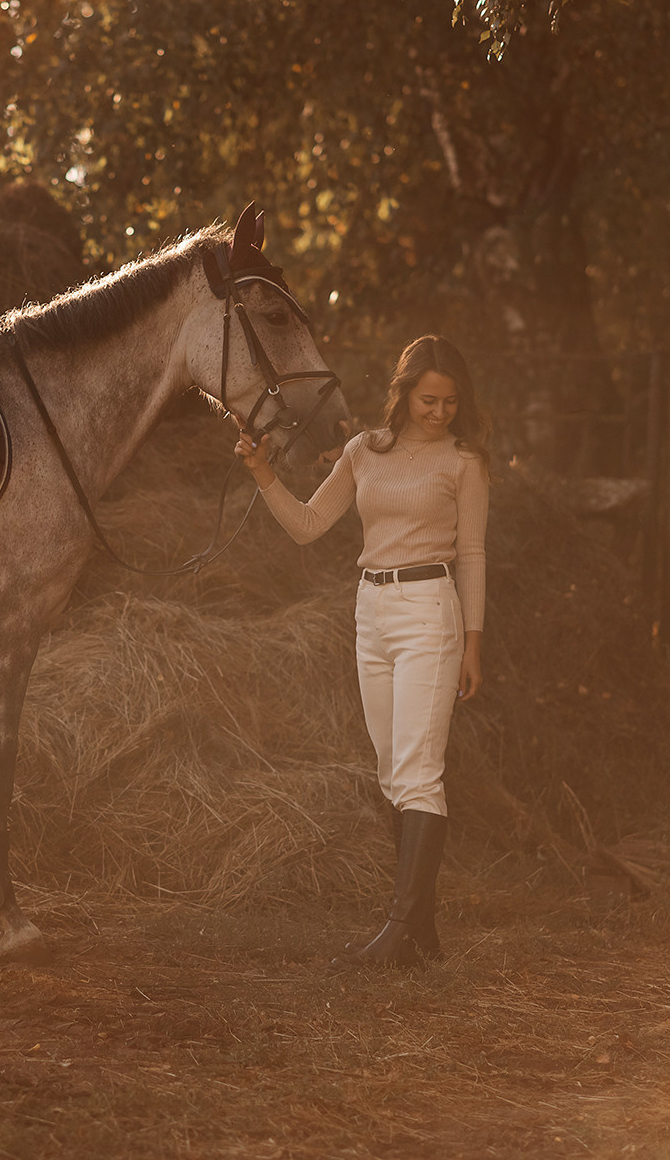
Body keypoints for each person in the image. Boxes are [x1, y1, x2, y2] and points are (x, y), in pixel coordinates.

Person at [236, 334, 490, 968]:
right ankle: (421, 936)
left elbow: (474, 555)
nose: (439, 413)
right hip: (371, 609)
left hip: (431, 609)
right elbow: (307, 526)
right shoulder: (363, 452)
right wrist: (264, 474)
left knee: (418, 771)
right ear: (403, 394)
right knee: (389, 772)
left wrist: (474, 643)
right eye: (429, 400)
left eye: (450, 403)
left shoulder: (464, 462)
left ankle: (399, 930)